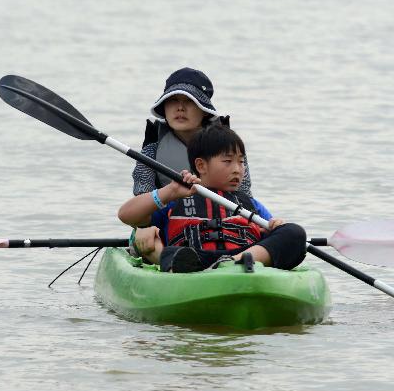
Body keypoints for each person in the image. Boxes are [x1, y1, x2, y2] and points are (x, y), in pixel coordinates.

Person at [118, 124, 307, 273]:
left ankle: (233, 265)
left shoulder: (250, 204)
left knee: (294, 232)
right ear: (201, 165)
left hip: (242, 258)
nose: (238, 169)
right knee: (150, 241)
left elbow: (273, 233)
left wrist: (275, 226)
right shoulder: (177, 198)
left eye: (241, 162)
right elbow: (126, 215)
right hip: (194, 259)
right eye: (228, 161)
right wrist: (170, 191)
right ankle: (179, 266)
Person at [131, 67, 253, 196]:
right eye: (173, 100)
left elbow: (245, 197)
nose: (180, 108)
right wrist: (171, 192)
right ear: (164, 107)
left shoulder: (231, 149)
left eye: (190, 101)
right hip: (169, 212)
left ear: (205, 110)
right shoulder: (151, 150)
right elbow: (141, 197)